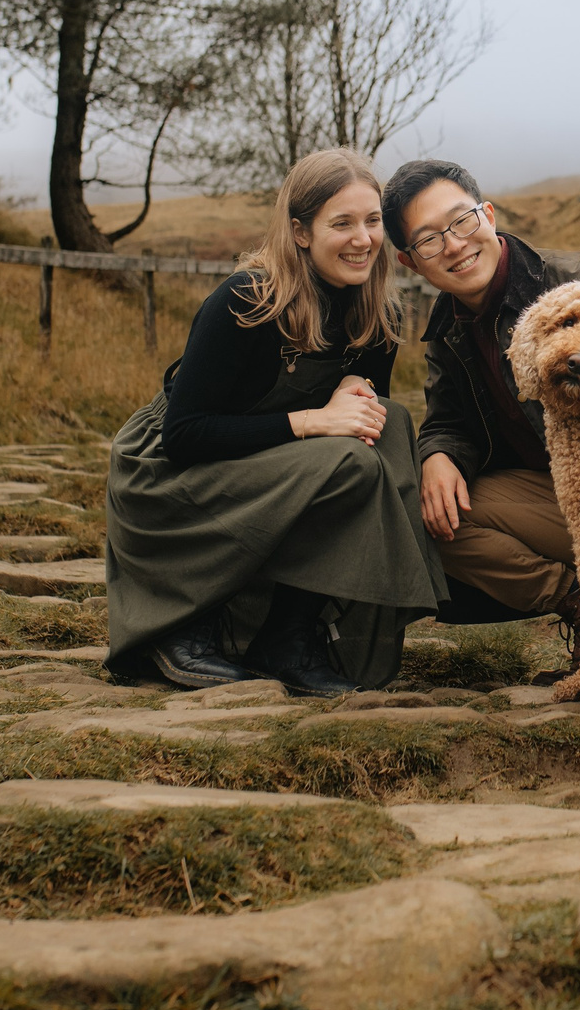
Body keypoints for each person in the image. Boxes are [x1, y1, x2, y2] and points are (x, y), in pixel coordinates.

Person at [103, 149, 447, 697]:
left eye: (373, 220)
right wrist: (312, 419)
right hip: (169, 480)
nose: (363, 238)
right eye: (342, 223)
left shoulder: (380, 313)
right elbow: (185, 435)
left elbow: (363, 411)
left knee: (389, 428)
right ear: (301, 232)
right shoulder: (247, 300)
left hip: (264, 470)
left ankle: (288, 636)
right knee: (345, 457)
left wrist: (351, 392)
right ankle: (187, 621)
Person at [382, 158, 580, 689]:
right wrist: (438, 456)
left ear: (487, 214)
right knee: (431, 512)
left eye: (462, 220)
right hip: (556, 491)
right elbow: (449, 420)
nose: (454, 245)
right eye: (428, 240)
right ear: (410, 261)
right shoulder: (448, 329)